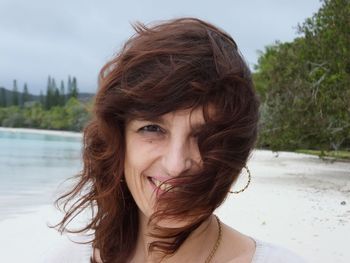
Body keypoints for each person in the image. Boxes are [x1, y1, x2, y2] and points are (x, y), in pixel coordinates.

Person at [54, 17, 305, 263]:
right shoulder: (72, 256)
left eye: (206, 135)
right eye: (152, 128)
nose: (176, 164)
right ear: (119, 142)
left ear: (235, 151)